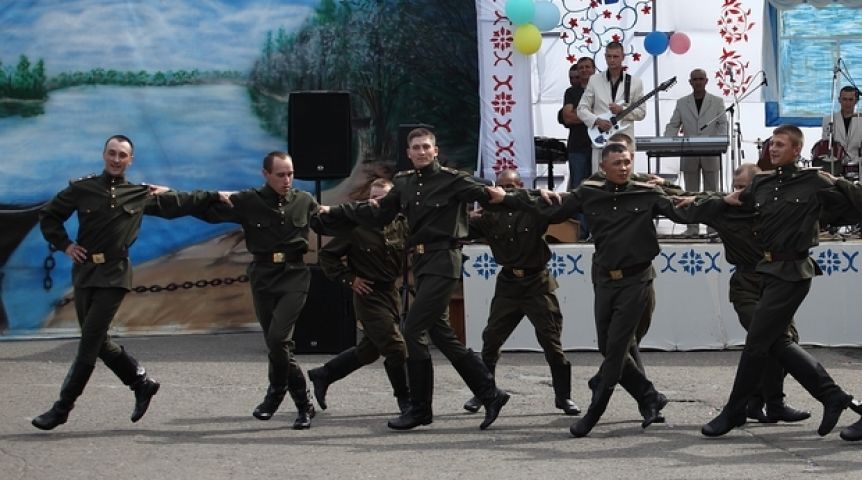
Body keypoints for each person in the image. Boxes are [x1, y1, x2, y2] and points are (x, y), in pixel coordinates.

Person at [318, 127, 511, 431]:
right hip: (421, 263)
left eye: (426, 147)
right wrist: (335, 211)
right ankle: (490, 394)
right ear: (408, 153)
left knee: (412, 330)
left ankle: (420, 409)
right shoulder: (404, 183)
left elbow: (495, 196)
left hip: (443, 261)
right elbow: (379, 212)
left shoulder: (453, 180)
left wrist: (532, 196)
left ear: (436, 151)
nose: (421, 152)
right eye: (416, 147)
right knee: (441, 334)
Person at [33, 134, 223, 430]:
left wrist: (217, 196)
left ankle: (62, 408)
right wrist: (65, 245)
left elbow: (181, 203)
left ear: (130, 160)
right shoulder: (82, 188)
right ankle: (141, 382)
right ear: (104, 155)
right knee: (98, 341)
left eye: (122, 155)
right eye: (112, 153)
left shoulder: (138, 194)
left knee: (89, 341)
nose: (116, 159)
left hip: (115, 275)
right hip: (85, 273)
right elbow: (49, 215)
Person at [503, 143, 692, 437]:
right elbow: (554, 209)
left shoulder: (647, 192)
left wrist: (671, 187)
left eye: (627, 162)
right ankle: (649, 397)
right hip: (605, 279)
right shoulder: (589, 193)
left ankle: (594, 412)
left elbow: (684, 209)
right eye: (617, 163)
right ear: (603, 167)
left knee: (616, 350)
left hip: (636, 280)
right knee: (607, 346)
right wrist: (517, 196)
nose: (623, 168)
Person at [701, 125, 862, 438]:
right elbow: (737, 200)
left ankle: (734, 410)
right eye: (771, 144)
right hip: (768, 270)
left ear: (796, 150)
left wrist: (837, 183)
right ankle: (831, 396)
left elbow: (853, 204)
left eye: (780, 145)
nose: (773, 149)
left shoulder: (814, 181)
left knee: (757, 343)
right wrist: (710, 200)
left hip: (793, 271)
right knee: (770, 342)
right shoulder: (762, 182)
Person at [677, 163, 810, 424]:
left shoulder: (773, 208)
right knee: (774, 341)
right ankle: (767, 403)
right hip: (746, 285)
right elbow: (687, 206)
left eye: (743, 187)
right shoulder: (724, 210)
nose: (737, 193)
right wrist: (688, 194)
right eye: (735, 186)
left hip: (776, 282)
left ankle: (764, 403)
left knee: (787, 341)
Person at [194, 151, 318, 430]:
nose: (287, 180)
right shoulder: (250, 201)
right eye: (280, 175)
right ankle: (299, 403)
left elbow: (334, 218)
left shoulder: (304, 200)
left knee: (278, 338)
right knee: (278, 345)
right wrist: (170, 197)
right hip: (263, 276)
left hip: (294, 276)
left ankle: (281, 396)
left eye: (290, 174)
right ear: (266, 174)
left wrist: (371, 209)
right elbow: (206, 211)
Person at [460, 169, 580, 417]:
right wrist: (466, 217)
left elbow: (564, 206)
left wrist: (536, 193)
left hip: (537, 284)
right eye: (502, 186)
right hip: (508, 284)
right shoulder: (489, 215)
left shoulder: (534, 209)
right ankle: (484, 392)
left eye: (512, 186)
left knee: (551, 343)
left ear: (521, 186)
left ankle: (563, 396)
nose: (506, 191)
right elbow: (459, 230)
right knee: (491, 340)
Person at [307, 178, 410, 414]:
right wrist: (349, 279)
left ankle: (324, 374)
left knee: (370, 349)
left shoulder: (401, 224)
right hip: (368, 295)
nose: (376, 203)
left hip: (390, 293)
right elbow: (327, 256)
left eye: (382, 198)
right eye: (372, 197)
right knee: (396, 347)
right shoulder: (357, 227)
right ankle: (406, 399)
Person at [663, 68, 728, 238]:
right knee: (690, 192)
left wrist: (719, 142)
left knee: (712, 193)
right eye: (695, 79)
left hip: (711, 152)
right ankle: (692, 229)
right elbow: (673, 124)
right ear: (690, 82)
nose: (698, 82)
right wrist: (666, 141)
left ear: (706, 81)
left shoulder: (717, 101)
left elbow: (722, 124)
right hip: (689, 152)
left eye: (701, 79)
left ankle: (712, 229)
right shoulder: (682, 102)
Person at [577, 41, 645, 175]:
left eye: (615, 56)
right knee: (600, 182)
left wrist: (622, 111)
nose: (612, 60)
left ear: (623, 57)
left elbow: (641, 112)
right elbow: (581, 109)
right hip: (601, 140)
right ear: (605, 57)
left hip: (624, 142)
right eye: (609, 56)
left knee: (624, 181)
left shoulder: (635, 82)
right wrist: (597, 121)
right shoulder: (594, 80)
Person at [561, 58, 598, 240]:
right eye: (581, 67)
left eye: (587, 67)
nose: (584, 70)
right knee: (579, 188)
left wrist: (580, 115)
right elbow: (567, 117)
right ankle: (581, 231)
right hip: (577, 147)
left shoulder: (602, 90)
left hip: (599, 146)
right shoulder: (571, 92)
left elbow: (609, 115)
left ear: (594, 69)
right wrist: (594, 118)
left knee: (599, 187)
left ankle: (597, 230)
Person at [820, 85, 862, 169]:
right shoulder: (829, 120)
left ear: (856, 101)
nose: (847, 103)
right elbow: (826, 142)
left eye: (850, 99)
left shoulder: (860, 119)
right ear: (839, 100)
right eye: (844, 99)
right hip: (835, 164)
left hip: (858, 165)